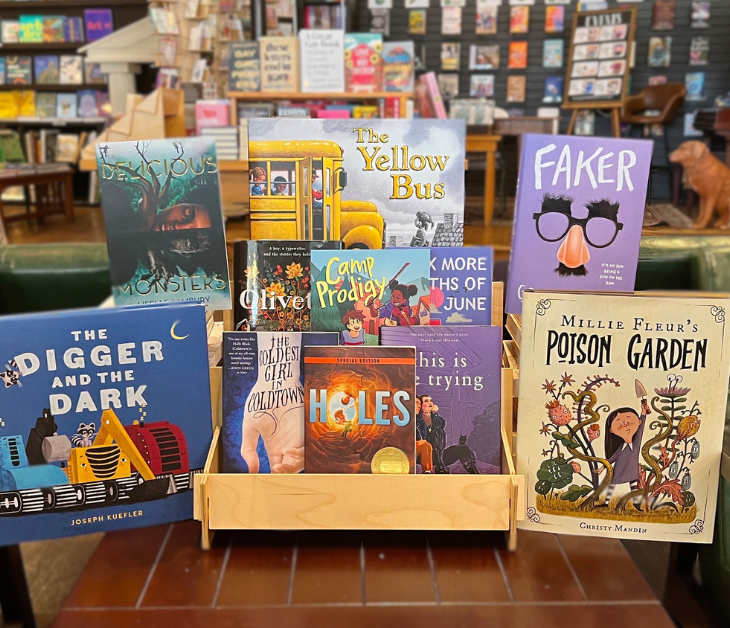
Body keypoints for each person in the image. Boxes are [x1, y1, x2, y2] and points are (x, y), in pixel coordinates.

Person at [594, 398, 651, 509]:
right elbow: (612, 459)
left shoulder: (636, 444)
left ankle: (636, 503)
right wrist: (602, 468)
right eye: (618, 421)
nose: (624, 423)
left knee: (633, 485)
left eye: (628, 418)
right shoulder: (620, 448)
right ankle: (606, 502)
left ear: (638, 422)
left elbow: (641, 429)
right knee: (612, 484)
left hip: (631, 468)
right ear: (611, 430)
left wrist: (643, 412)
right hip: (619, 469)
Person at [417, 395, 447, 473]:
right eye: (426, 401)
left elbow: (442, 423)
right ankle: (437, 464)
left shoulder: (434, 418)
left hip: (435, 451)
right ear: (421, 405)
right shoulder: (418, 418)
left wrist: (435, 413)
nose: (430, 403)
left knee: (439, 431)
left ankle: (438, 459)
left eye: (431, 401)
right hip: (423, 451)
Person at [414, 397, 433, 473]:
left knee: (426, 446)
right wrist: (415, 443)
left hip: (417, 451)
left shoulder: (421, 421)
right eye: (416, 402)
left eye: (420, 403)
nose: (419, 405)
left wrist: (434, 414)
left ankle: (427, 471)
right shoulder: (401, 419)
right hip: (404, 450)